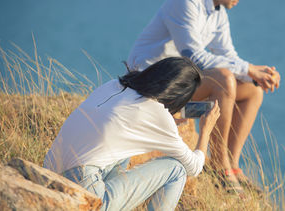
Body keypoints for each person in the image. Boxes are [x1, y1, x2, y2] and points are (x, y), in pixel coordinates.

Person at [127, 0, 281, 194]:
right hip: (151, 92)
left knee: (253, 90)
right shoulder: (187, 0)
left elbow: (229, 55)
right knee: (224, 78)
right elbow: (194, 57)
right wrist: (248, 68)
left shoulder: (218, 11)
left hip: (178, 97)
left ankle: (232, 165)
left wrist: (256, 74)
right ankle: (220, 166)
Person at [44, 57, 220, 210]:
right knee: (177, 169)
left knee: (123, 150)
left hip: (48, 177)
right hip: (87, 197)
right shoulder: (157, 114)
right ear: (178, 96)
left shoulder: (114, 85)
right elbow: (194, 168)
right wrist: (205, 130)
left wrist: (166, 119)